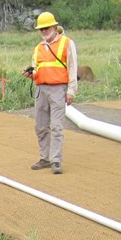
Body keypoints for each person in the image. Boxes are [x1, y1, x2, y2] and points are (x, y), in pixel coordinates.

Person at [23, 11, 77, 175]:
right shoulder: (38, 48)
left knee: (57, 127)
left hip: (58, 90)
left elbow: (72, 68)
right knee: (40, 126)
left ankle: (55, 161)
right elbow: (37, 70)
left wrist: (71, 91)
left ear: (54, 27)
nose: (44, 31)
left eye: (47, 28)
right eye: (41, 29)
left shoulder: (67, 43)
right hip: (41, 90)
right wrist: (30, 75)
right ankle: (44, 158)